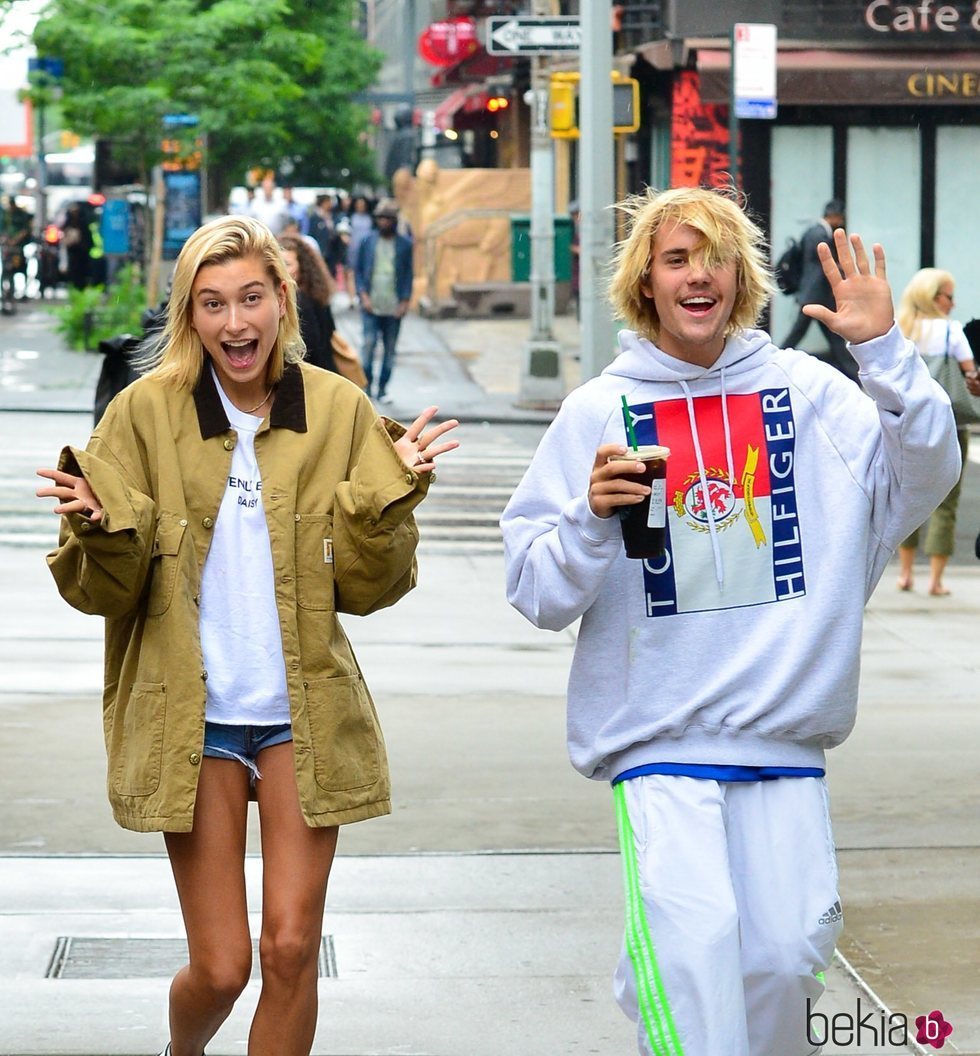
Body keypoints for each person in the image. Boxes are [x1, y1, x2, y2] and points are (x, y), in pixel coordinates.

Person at [500, 185, 959, 1056]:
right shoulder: (597, 411)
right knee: (693, 954)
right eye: (676, 259)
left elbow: (926, 471)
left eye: (714, 258)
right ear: (646, 283)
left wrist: (886, 352)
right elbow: (536, 590)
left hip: (784, 739)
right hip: (658, 743)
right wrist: (590, 519)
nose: (697, 275)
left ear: (741, 277)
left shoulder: (813, 393)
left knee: (786, 960)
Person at [35, 214, 459, 1056]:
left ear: (282, 301)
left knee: (293, 951)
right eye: (213, 303)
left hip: (302, 709)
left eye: (252, 299)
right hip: (196, 717)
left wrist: (385, 502)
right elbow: (101, 594)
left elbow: (374, 590)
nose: (236, 322)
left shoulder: (339, 410)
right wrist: (98, 531)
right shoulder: (142, 414)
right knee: (224, 967)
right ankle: (182, 1050)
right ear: (189, 316)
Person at [894, 268, 978, 595]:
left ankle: (904, 574)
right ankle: (936, 580)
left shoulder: (901, 329)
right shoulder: (950, 332)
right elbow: (970, 371)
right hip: (949, 425)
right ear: (933, 297)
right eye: (949, 296)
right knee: (946, 502)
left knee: (906, 496)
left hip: (909, 425)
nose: (953, 304)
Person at [780, 198, 857, 382]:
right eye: (840, 218)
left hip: (816, 295)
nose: (841, 222)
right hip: (815, 295)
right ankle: (774, 361)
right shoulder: (818, 234)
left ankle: (854, 376)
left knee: (834, 337)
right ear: (833, 217)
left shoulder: (816, 232)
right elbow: (824, 263)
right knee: (801, 333)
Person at [354, 198, 413, 404]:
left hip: (393, 305)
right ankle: (367, 386)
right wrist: (363, 295)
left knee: (389, 349)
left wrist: (405, 301)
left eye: (388, 218)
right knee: (368, 345)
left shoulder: (405, 244)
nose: (384, 222)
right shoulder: (367, 241)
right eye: (381, 218)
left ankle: (383, 389)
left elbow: (408, 274)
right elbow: (359, 271)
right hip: (371, 304)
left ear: (394, 220)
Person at [278, 232, 337, 373]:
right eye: (278, 264)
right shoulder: (316, 293)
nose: (282, 270)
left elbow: (313, 347)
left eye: (287, 264)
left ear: (302, 267)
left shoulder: (302, 301)